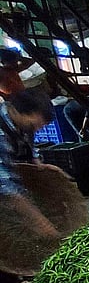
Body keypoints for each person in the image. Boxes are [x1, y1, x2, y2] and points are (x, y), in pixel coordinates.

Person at [0, 90, 60, 240]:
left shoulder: (21, 123)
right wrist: (39, 221)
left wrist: (38, 163)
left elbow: (29, 144)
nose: (37, 129)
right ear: (18, 111)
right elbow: (6, 186)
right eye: (34, 125)